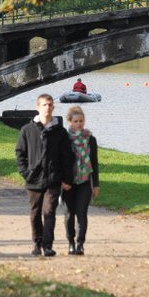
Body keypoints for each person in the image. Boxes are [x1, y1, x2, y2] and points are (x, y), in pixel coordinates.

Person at [15, 94, 75, 257]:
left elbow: (67, 157)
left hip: (52, 179)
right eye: (44, 105)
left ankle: (47, 245)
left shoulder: (60, 132)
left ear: (53, 107)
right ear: (38, 107)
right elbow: (20, 153)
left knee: (49, 212)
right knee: (35, 214)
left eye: (49, 105)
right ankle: (37, 244)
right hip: (33, 179)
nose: (47, 107)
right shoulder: (27, 130)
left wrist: (67, 179)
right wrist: (26, 172)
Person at [62, 106, 100, 255]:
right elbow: (60, 162)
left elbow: (94, 163)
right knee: (69, 214)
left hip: (85, 180)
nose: (79, 124)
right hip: (68, 182)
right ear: (69, 122)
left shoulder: (91, 139)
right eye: (76, 121)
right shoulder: (65, 139)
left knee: (82, 212)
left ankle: (80, 243)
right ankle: (70, 242)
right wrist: (61, 181)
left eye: (81, 121)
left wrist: (96, 184)